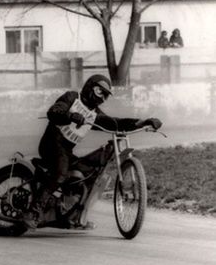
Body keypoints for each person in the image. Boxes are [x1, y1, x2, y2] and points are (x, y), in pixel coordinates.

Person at [23, 74, 162, 230]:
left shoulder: (94, 113)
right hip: (50, 145)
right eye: (99, 91)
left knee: (86, 174)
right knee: (61, 172)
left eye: (105, 95)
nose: (102, 97)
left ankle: (73, 216)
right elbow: (54, 111)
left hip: (66, 151)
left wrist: (143, 122)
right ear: (90, 87)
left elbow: (115, 123)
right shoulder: (72, 98)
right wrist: (70, 116)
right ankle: (32, 212)